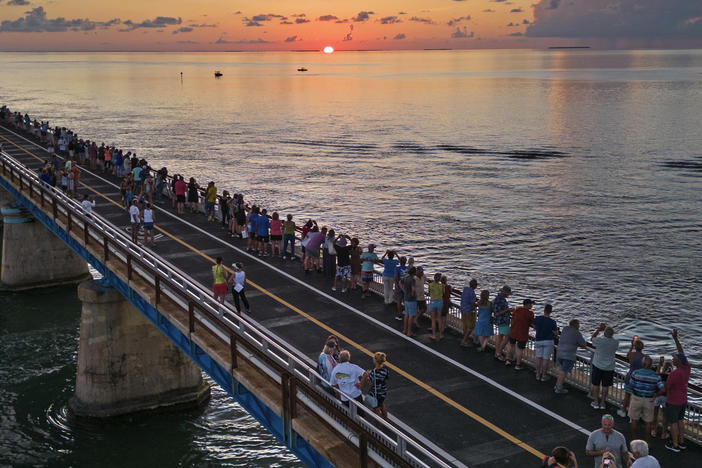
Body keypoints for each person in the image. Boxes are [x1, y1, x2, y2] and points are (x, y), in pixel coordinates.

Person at [664, 329, 690, 452]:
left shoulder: (674, 373)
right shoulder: (687, 368)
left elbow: (667, 387)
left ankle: (674, 444)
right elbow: (681, 352)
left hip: (673, 401)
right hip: (683, 400)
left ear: (678, 362)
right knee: (680, 420)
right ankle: (681, 441)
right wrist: (675, 339)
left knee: (673, 422)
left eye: (674, 359)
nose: (672, 360)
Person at [627, 355, 663, 443]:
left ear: (642, 364)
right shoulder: (656, 376)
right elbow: (663, 388)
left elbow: (630, 386)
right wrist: (656, 394)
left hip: (637, 398)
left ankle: (634, 440)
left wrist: (636, 388)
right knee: (648, 422)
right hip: (649, 400)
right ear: (651, 365)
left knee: (634, 419)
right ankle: (647, 442)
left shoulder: (635, 373)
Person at [590, 324, 619, 410]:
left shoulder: (600, 340)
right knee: (605, 386)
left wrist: (598, 330)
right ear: (612, 334)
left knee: (596, 384)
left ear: (604, 333)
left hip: (598, 365)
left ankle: (595, 402)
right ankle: (602, 403)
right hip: (609, 367)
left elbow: (592, 338)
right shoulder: (615, 342)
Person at [554, 319, 587, 394]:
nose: (579, 326)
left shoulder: (565, 329)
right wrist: (577, 344)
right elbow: (584, 344)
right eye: (578, 324)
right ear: (575, 325)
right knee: (563, 371)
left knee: (561, 369)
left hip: (559, 352)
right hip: (568, 355)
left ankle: (558, 385)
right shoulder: (577, 333)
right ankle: (558, 388)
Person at [618, 338, 645, 417]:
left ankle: (623, 411)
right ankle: (633, 413)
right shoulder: (644, 357)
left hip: (630, 377)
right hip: (639, 379)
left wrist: (631, 346)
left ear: (635, 347)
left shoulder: (632, 355)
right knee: (635, 397)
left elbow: (627, 355)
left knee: (627, 396)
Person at [506, 299, 534, 369]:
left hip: (513, 331)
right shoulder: (530, 313)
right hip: (522, 334)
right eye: (531, 304)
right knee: (520, 349)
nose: (532, 306)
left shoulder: (517, 309)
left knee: (511, 345)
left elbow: (512, 318)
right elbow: (531, 323)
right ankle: (517, 365)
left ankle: (507, 360)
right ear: (527, 305)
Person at [533, 304, 558, 381]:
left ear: (544, 310)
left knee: (538, 358)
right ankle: (543, 376)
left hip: (538, 340)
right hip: (548, 341)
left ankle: (537, 374)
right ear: (551, 311)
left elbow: (534, 326)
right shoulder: (552, 322)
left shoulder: (537, 318)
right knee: (545, 359)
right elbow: (556, 333)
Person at [361, 352, 389, 418]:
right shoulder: (385, 370)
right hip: (383, 391)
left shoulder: (373, 373)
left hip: (376, 393)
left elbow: (371, 385)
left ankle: (378, 425)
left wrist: (367, 377)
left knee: (376, 409)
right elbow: (386, 378)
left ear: (376, 360)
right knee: (381, 404)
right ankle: (386, 419)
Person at [492, 285, 513, 361]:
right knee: (507, 337)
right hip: (502, 321)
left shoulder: (499, 299)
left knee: (500, 336)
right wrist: (508, 310)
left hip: (501, 320)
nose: (508, 295)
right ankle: (498, 352)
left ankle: (497, 352)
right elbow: (497, 313)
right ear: (505, 293)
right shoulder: (499, 300)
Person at [427, 273, 444, 340]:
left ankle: (433, 335)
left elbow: (429, 293)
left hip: (433, 302)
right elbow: (443, 293)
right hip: (440, 302)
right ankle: (440, 335)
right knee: (439, 319)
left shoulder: (430, 285)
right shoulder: (442, 285)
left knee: (433, 320)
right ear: (440, 279)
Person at [402, 267, 417, 337]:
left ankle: (405, 330)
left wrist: (404, 291)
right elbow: (413, 289)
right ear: (414, 273)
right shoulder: (412, 280)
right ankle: (409, 332)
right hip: (411, 299)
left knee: (406, 314)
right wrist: (413, 295)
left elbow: (399, 282)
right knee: (411, 315)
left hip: (406, 298)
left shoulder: (405, 277)